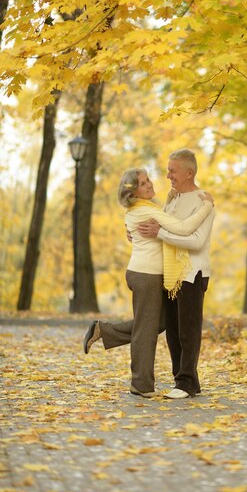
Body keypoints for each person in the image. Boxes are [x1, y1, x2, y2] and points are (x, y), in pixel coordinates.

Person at [83, 166, 213, 399]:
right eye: (143, 183)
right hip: (146, 276)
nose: (150, 184)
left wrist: (168, 201)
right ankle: (141, 384)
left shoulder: (142, 208)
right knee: (146, 330)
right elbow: (183, 228)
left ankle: (104, 330)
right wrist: (207, 206)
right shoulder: (143, 211)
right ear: (133, 194)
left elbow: (160, 221)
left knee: (157, 323)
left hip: (147, 275)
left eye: (148, 180)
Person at [137, 149, 215, 399]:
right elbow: (160, 227)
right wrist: (138, 233)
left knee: (187, 330)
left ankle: (186, 383)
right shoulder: (173, 199)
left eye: (173, 170)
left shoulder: (204, 201)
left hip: (193, 272)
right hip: (171, 274)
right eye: (168, 169)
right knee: (172, 330)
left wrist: (159, 233)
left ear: (189, 172)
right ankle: (185, 380)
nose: (168, 175)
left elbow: (197, 241)